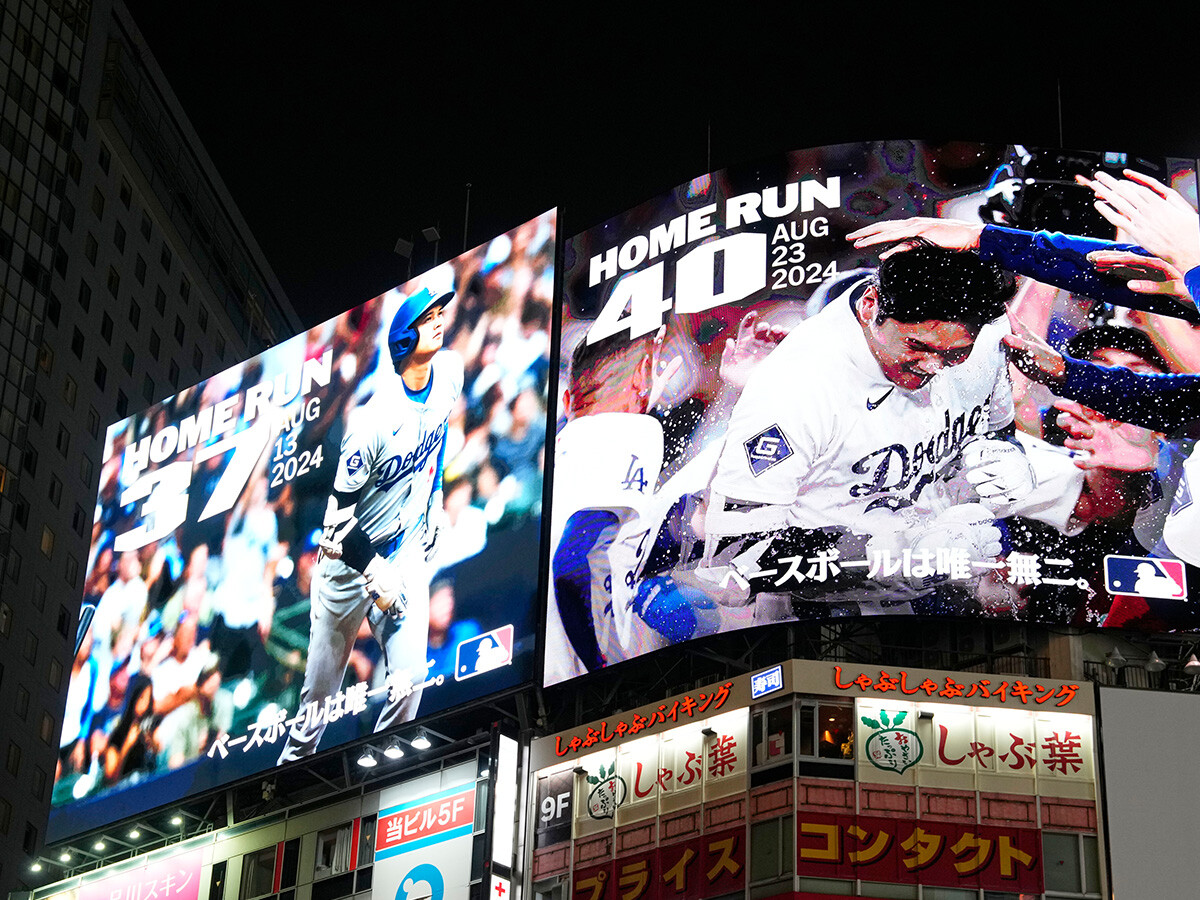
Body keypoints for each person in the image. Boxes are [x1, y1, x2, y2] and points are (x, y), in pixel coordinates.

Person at [704, 246, 1032, 615]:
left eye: (955, 353)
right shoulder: (795, 385)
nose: (934, 366)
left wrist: (1009, 456)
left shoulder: (988, 335)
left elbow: (998, 431)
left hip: (952, 589)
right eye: (916, 345)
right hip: (825, 621)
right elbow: (732, 559)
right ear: (870, 305)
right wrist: (896, 556)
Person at [546, 313, 784, 683]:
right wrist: (606, 667)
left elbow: (689, 501)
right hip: (587, 678)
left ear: (565, 398)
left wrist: (746, 393)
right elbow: (574, 562)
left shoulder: (563, 452)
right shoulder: (628, 433)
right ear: (644, 377)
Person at [278, 287, 463, 761]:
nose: (439, 319)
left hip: (403, 552)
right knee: (315, 710)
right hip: (347, 565)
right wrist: (371, 569)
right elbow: (335, 523)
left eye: (440, 311)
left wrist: (437, 495)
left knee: (409, 681)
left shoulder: (451, 374)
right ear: (403, 338)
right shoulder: (373, 422)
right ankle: (281, 791)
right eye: (427, 317)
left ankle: (379, 778)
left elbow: (438, 436)